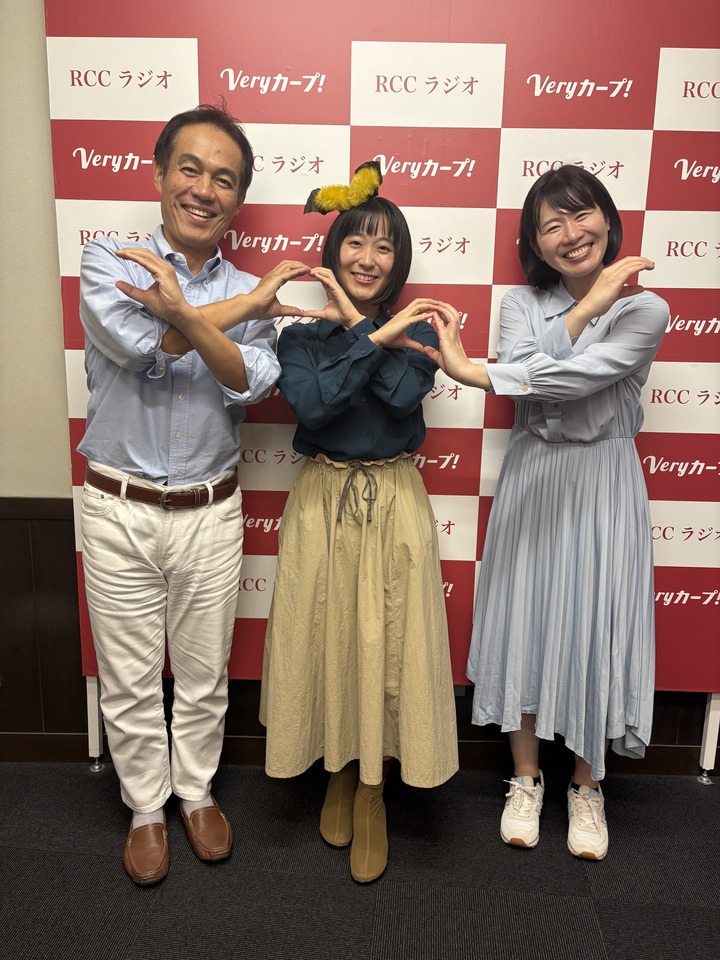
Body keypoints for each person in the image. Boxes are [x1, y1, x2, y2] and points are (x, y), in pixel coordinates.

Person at [79, 104, 308, 885]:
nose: (204, 189)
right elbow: (142, 344)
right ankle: (146, 807)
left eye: (224, 179)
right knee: (129, 677)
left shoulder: (250, 284)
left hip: (211, 509)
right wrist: (225, 311)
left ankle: (196, 792)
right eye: (190, 168)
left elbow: (249, 379)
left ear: (238, 199)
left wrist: (192, 314)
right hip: (117, 506)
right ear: (159, 174)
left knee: (205, 674)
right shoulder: (111, 260)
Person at [423, 165, 668, 860]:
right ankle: (526, 778)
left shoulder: (646, 309)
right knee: (523, 619)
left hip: (604, 481)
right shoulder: (519, 303)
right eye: (550, 226)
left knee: (599, 624)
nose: (570, 234)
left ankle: (587, 786)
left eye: (580, 215)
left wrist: (478, 372)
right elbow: (533, 379)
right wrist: (584, 312)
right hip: (533, 473)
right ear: (535, 244)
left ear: (607, 220)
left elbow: (575, 378)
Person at [259, 163, 459, 883]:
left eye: (384, 246)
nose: (368, 258)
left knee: (390, 643)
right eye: (356, 241)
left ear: (398, 261)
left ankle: (374, 789)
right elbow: (314, 408)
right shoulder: (299, 338)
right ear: (333, 249)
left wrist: (366, 330)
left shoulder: (420, 334)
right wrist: (365, 333)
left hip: (395, 500)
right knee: (328, 636)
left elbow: (403, 397)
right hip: (322, 500)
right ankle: (339, 772)